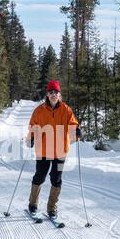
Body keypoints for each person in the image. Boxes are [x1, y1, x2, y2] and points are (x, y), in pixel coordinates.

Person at [26, 80, 82, 219]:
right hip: (43, 150)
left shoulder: (66, 110)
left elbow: (73, 123)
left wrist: (77, 130)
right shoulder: (39, 110)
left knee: (56, 179)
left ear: (59, 94)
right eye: (51, 92)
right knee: (40, 177)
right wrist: (31, 137)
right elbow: (33, 125)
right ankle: (33, 205)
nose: (53, 95)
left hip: (60, 150)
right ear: (47, 94)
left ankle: (52, 208)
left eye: (56, 92)